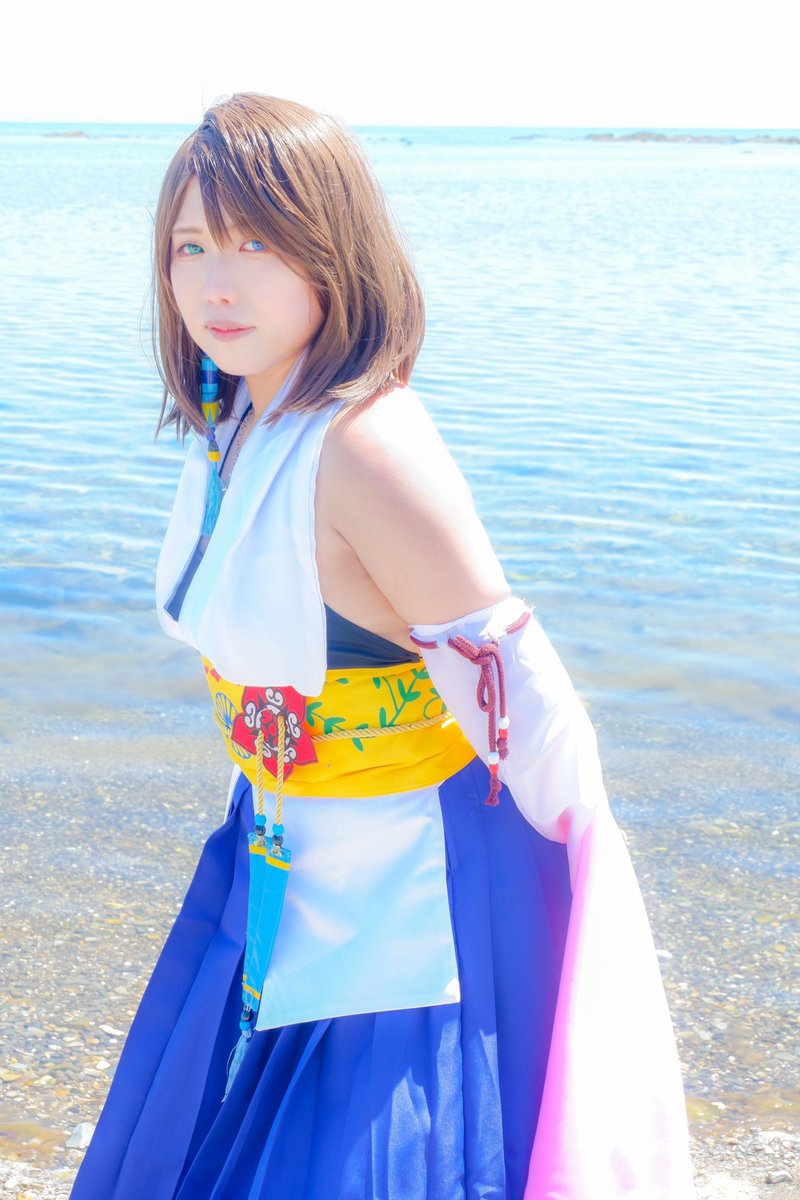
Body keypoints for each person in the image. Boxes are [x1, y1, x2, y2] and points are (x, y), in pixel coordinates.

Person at [70, 93, 695, 1200]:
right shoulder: (239, 420)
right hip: (278, 844)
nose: (216, 284)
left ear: (334, 248)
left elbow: (520, 692)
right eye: (191, 246)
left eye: (258, 243)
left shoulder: (367, 444)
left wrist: (581, 906)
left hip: (407, 885)